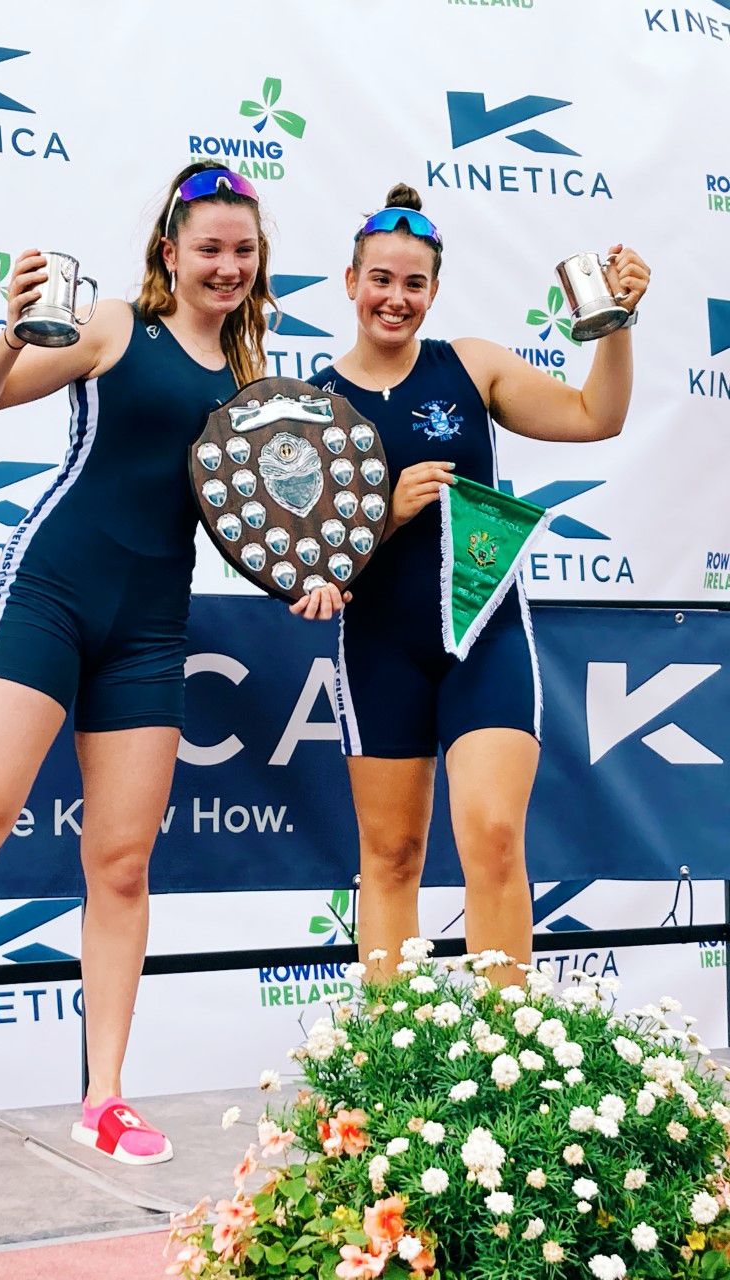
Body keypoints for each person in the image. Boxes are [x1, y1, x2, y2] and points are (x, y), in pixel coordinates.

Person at [0, 162, 280, 1174]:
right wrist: (9, 327)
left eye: (243, 251)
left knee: (122, 866)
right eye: (209, 247)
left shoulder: (255, 385)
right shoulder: (117, 327)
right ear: (172, 251)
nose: (226, 265)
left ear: (259, 266)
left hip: (152, 628)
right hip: (49, 591)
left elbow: (266, 535)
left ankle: (105, 1095)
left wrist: (312, 579)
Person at [298, 183, 650, 986]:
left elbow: (598, 415)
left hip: (485, 636)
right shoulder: (315, 405)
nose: (396, 298)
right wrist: (384, 515)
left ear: (434, 291)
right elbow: (314, 565)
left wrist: (616, 323)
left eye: (414, 283)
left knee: (492, 836)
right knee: (391, 857)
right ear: (350, 281)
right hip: (380, 647)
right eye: (380, 279)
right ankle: (388, 1065)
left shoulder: (472, 365)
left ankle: (505, 1059)